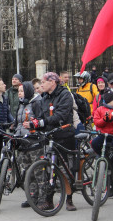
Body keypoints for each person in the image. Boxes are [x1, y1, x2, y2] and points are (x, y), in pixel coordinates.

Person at [25, 72, 77, 211]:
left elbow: (62, 114)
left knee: (66, 168)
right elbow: (42, 115)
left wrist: (43, 121)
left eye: (44, 81)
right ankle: (49, 200)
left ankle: (70, 199)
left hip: (64, 134)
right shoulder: (44, 97)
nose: (41, 84)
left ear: (52, 82)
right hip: (49, 136)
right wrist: (34, 123)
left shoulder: (65, 94)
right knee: (49, 168)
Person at [14, 81, 43, 207]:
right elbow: (18, 122)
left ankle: (43, 197)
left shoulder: (37, 102)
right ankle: (32, 196)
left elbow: (42, 119)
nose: (20, 93)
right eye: (19, 91)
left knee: (38, 171)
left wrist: (33, 124)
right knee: (27, 171)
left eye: (22, 91)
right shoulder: (21, 104)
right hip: (22, 141)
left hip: (34, 141)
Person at [92, 88, 113, 165]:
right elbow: (97, 122)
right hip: (104, 133)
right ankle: (100, 154)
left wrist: (112, 120)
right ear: (109, 100)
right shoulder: (100, 109)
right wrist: (104, 120)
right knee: (94, 143)